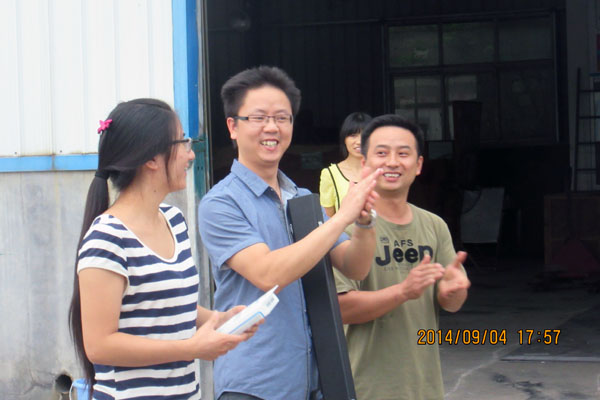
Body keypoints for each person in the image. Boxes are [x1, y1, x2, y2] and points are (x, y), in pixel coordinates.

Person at [197, 66, 382, 400]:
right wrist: (342, 217)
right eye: (259, 118)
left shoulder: (301, 199)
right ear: (233, 127)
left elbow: (355, 267)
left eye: (282, 118)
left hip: (314, 380)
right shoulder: (221, 203)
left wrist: (364, 223)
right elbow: (268, 274)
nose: (272, 127)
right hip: (254, 383)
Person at [68, 98, 258, 400]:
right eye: (182, 142)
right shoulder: (107, 238)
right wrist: (191, 348)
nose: (191, 154)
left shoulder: (174, 220)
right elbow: (100, 346)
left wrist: (219, 320)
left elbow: (163, 304)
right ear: (151, 159)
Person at [334, 114, 471, 400]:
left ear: (418, 165)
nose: (393, 162)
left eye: (403, 153)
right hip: (365, 389)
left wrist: (454, 292)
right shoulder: (344, 228)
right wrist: (403, 291)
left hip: (424, 388)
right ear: (365, 163)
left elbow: (451, 303)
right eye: (382, 153)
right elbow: (341, 308)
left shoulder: (434, 225)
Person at [319, 112, 372, 217]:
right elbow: (328, 219)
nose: (359, 141)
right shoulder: (330, 174)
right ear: (344, 139)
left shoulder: (381, 171)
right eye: (353, 135)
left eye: (365, 136)